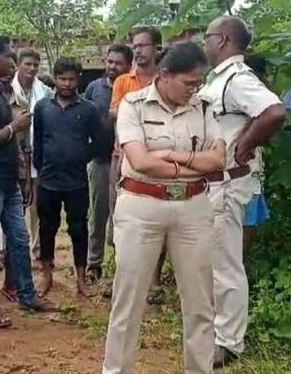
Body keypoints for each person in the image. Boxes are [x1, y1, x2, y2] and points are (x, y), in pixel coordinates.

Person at [102, 42, 226, 374]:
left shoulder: (204, 107)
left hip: (193, 209)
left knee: (200, 304)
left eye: (198, 83)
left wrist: (172, 157)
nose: (194, 89)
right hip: (141, 208)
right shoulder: (133, 105)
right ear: (165, 74)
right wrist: (193, 165)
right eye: (189, 83)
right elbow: (140, 161)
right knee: (128, 302)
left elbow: (218, 160)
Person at [200, 16, 287, 368]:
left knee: (226, 265)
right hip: (215, 183)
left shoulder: (237, 79)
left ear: (222, 39)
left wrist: (245, 145)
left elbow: (274, 112)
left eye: (207, 37)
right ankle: (218, 330)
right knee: (215, 262)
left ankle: (228, 342)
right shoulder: (219, 79)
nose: (204, 44)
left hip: (228, 184)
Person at [0, 34, 58, 328]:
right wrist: (12, 127)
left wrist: (21, 174)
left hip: (7, 180)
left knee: (19, 239)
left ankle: (26, 294)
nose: (12, 62)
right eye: (7, 56)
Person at [34, 58, 103, 298]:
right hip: (48, 181)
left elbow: (99, 142)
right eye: (62, 79)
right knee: (47, 229)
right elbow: (38, 143)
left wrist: (81, 156)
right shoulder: (43, 108)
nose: (66, 83)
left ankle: (81, 280)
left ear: (78, 79)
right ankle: (47, 275)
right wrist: (42, 169)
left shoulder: (88, 109)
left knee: (79, 229)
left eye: (71, 79)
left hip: (76, 182)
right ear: (55, 79)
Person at [109, 26, 164, 303]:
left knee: (158, 215)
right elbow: (113, 111)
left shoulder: (166, 78)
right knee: (124, 217)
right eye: (135, 45)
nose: (138, 50)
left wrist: (132, 109)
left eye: (143, 45)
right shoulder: (123, 81)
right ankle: (126, 276)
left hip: (160, 158)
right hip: (124, 157)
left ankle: (154, 279)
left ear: (157, 48)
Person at [83, 44, 133, 283]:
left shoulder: (132, 88)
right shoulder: (94, 88)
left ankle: (120, 263)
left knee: (122, 215)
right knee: (98, 212)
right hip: (100, 160)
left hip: (128, 162)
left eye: (118, 63)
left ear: (128, 65)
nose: (113, 66)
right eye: (110, 62)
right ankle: (94, 263)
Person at [0, 52, 31, 301]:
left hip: (16, 174)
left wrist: (27, 180)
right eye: (5, 65)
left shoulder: (21, 104)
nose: (9, 71)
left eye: (12, 66)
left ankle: (13, 284)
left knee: (17, 234)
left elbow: (25, 146)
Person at [11, 49, 53, 260]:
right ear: (18, 64)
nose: (32, 68)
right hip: (13, 155)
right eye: (27, 64)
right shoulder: (7, 89)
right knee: (12, 206)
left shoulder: (45, 92)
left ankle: (36, 249)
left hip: (38, 155)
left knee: (37, 206)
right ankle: (3, 251)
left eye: (36, 65)